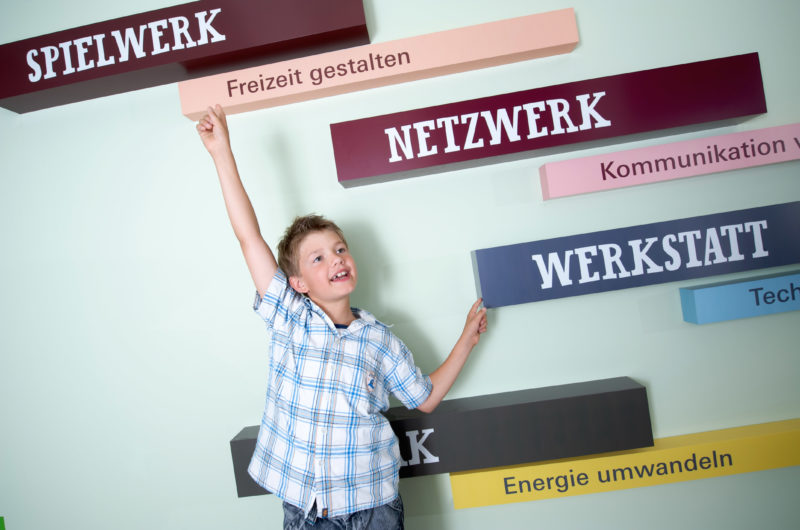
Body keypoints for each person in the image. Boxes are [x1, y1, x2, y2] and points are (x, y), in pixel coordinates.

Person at [196, 104, 488, 529]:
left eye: (339, 249)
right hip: (309, 512)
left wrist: (466, 339)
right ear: (298, 282)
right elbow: (248, 237)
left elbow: (424, 397)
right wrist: (222, 152)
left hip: (375, 507)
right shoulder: (290, 317)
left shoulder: (380, 339)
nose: (336, 258)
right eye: (317, 257)